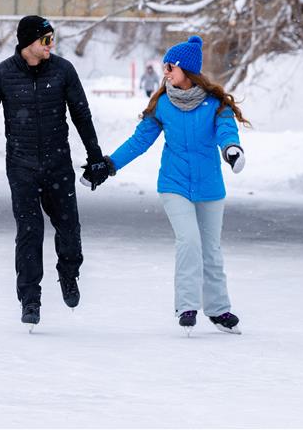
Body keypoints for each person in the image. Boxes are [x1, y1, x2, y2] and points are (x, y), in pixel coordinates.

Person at [87, 35, 249, 334]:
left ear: (187, 70)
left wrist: (232, 150)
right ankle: (187, 305)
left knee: (210, 249)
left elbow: (227, 130)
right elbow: (140, 141)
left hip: (210, 187)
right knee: (189, 240)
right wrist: (109, 165)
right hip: (173, 184)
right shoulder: (163, 104)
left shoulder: (215, 104)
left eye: (170, 67)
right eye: (165, 67)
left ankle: (218, 310)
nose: (166, 73)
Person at [0, 15, 109, 328]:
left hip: (58, 166)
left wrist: (95, 156)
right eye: (45, 40)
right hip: (22, 167)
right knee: (29, 234)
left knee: (69, 227)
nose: (51, 45)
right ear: (28, 42)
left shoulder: (63, 70)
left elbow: (82, 115)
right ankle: (30, 300)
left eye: (52, 39)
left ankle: (68, 274)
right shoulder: (2, 75)